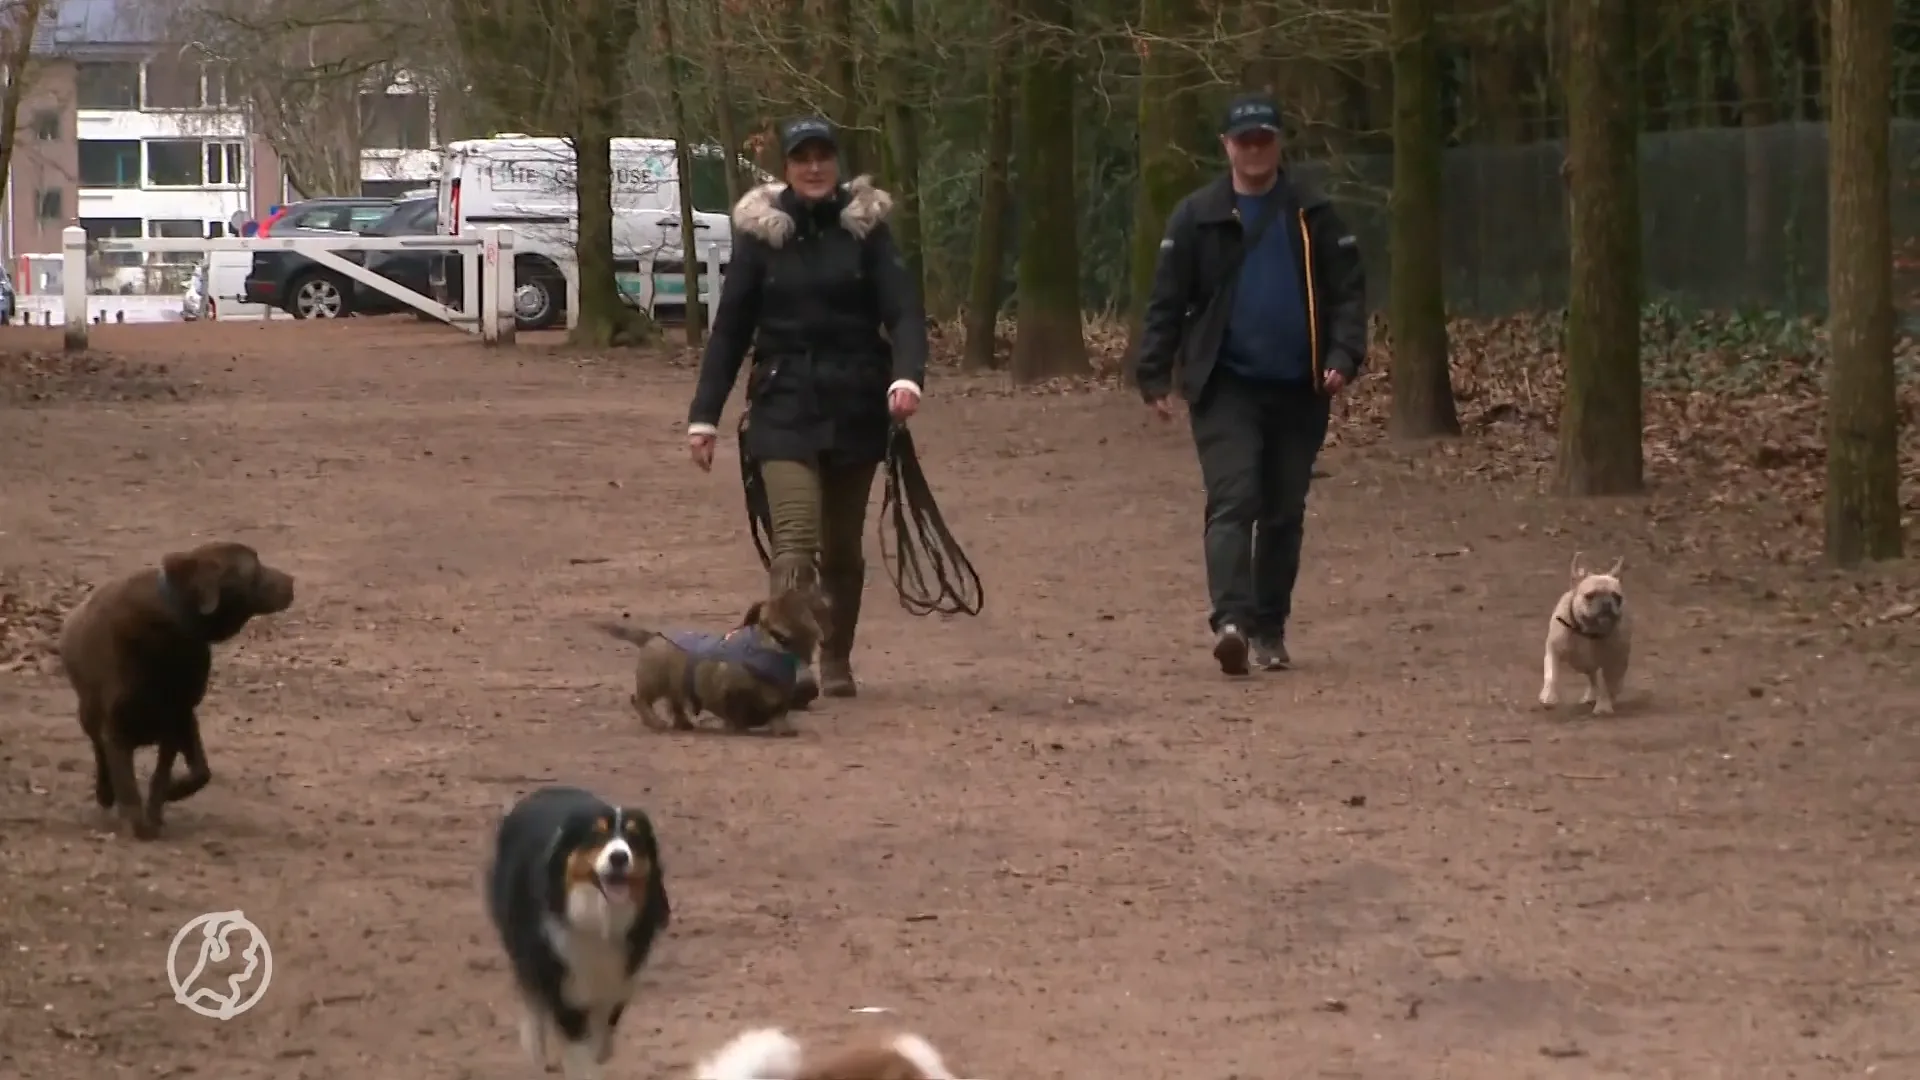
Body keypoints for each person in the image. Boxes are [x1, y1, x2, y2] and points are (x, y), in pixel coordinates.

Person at [686, 116, 928, 704]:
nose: (814, 167)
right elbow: (730, 331)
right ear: (786, 167)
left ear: (837, 163)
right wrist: (703, 416)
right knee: (795, 540)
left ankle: (837, 655)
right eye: (802, 158)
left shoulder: (868, 233)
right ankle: (787, 664)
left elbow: (903, 312)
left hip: (855, 403)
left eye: (823, 156)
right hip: (783, 402)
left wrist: (907, 377)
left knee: (843, 548)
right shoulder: (761, 238)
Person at [1133, 92, 1368, 676]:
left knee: (1284, 510)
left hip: (1300, 384)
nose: (1255, 149)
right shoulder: (1195, 216)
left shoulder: (1315, 211)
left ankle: (1270, 627)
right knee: (1234, 499)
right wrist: (1154, 371)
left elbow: (1348, 295)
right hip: (1225, 383)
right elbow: (1168, 300)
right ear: (1226, 147)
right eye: (1244, 140)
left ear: (1280, 143)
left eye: (1264, 139)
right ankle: (1232, 622)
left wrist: (1343, 355)